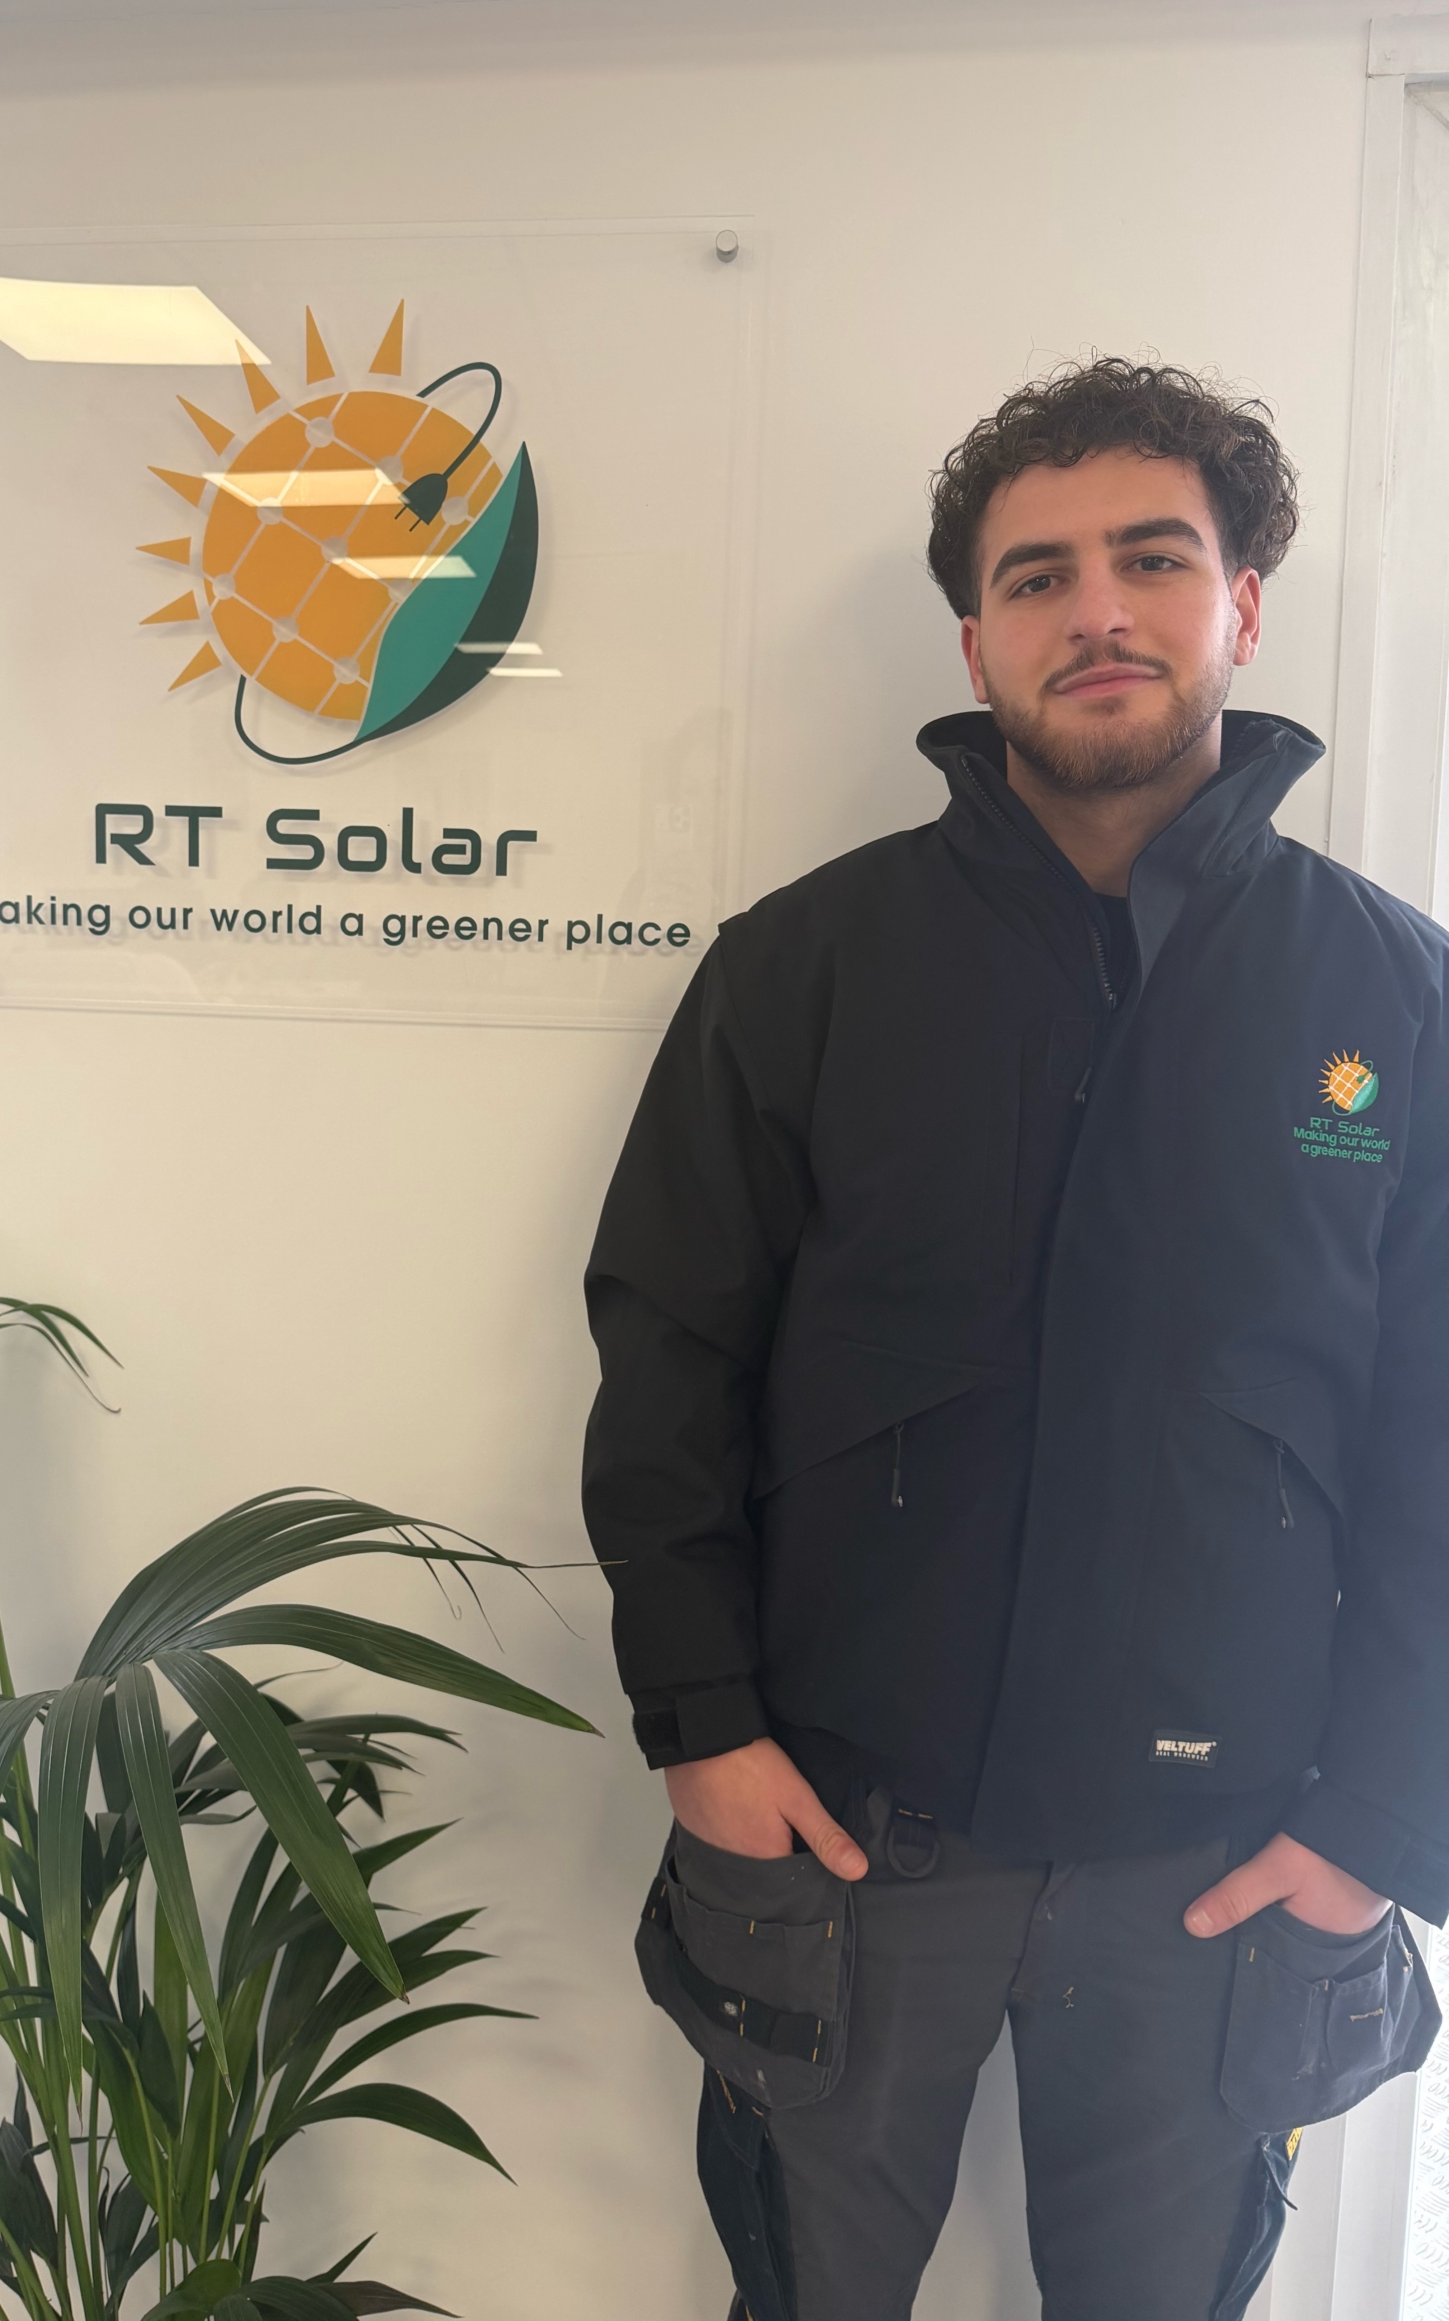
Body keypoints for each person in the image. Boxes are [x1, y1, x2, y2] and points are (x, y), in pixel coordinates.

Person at [582, 359, 1445, 2321]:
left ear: (1240, 602)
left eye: (1155, 558)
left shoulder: (1395, 995)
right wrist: (700, 1721)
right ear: (977, 638)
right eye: (1038, 575)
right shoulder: (804, 970)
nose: (1099, 611)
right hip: (849, 1827)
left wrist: (1387, 1812)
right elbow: (668, 1358)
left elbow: (1438, 1438)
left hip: (1227, 1862)